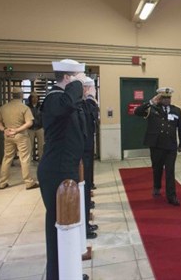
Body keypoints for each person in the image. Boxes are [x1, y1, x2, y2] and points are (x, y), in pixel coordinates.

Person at [37, 59, 88, 280]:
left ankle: (69, 271)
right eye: (78, 78)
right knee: (59, 226)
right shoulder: (54, 98)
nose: (83, 84)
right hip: (56, 170)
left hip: (65, 166)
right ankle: (57, 275)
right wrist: (75, 84)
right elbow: (67, 103)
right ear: (67, 78)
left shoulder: (63, 99)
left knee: (67, 224)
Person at [134, 87, 181, 206]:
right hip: (156, 145)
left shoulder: (176, 110)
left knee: (170, 171)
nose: (167, 100)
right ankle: (157, 186)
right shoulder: (151, 108)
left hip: (171, 145)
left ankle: (172, 196)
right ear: (159, 98)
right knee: (157, 168)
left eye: (169, 98)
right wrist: (151, 102)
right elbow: (137, 112)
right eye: (164, 98)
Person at [0, 87, 39, 190]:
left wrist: (4, 129)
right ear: (22, 95)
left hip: (8, 136)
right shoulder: (24, 108)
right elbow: (29, 123)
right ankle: (28, 182)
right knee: (24, 158)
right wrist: (17, 130)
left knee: (7, 158)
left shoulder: (4, 107)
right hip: (21, 136)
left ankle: (2, 182)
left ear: (11, 95)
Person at [82, 77, 99, 239]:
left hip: (86, 149)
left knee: (86, 185)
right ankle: (84, 225)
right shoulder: (84, 104)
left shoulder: (89, 102)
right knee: (83, 185)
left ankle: (86, 221)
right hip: (82, 151)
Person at [26, 92, 45, 162]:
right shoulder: (27, 107)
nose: (35, 99)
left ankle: (41, 159)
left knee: (41, 145)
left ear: (38, 98)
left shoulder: (41, 107)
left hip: (40, 128)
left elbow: (44, 116)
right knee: (29, 146)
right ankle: (28, 160)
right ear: (30, 98)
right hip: (30, 129)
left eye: (36, 97)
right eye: (33, 97)